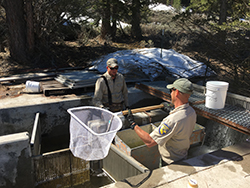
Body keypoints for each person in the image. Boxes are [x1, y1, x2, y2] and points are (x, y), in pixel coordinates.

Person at [126, 78, 197, 166]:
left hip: (170, 162)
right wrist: (171, 110)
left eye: (171, 90)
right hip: (182, 155)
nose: (171, 93)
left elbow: (150, 141)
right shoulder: (191, 112)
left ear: (177, 92)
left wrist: (133, 124)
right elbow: (179, 122)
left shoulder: (172, 120)